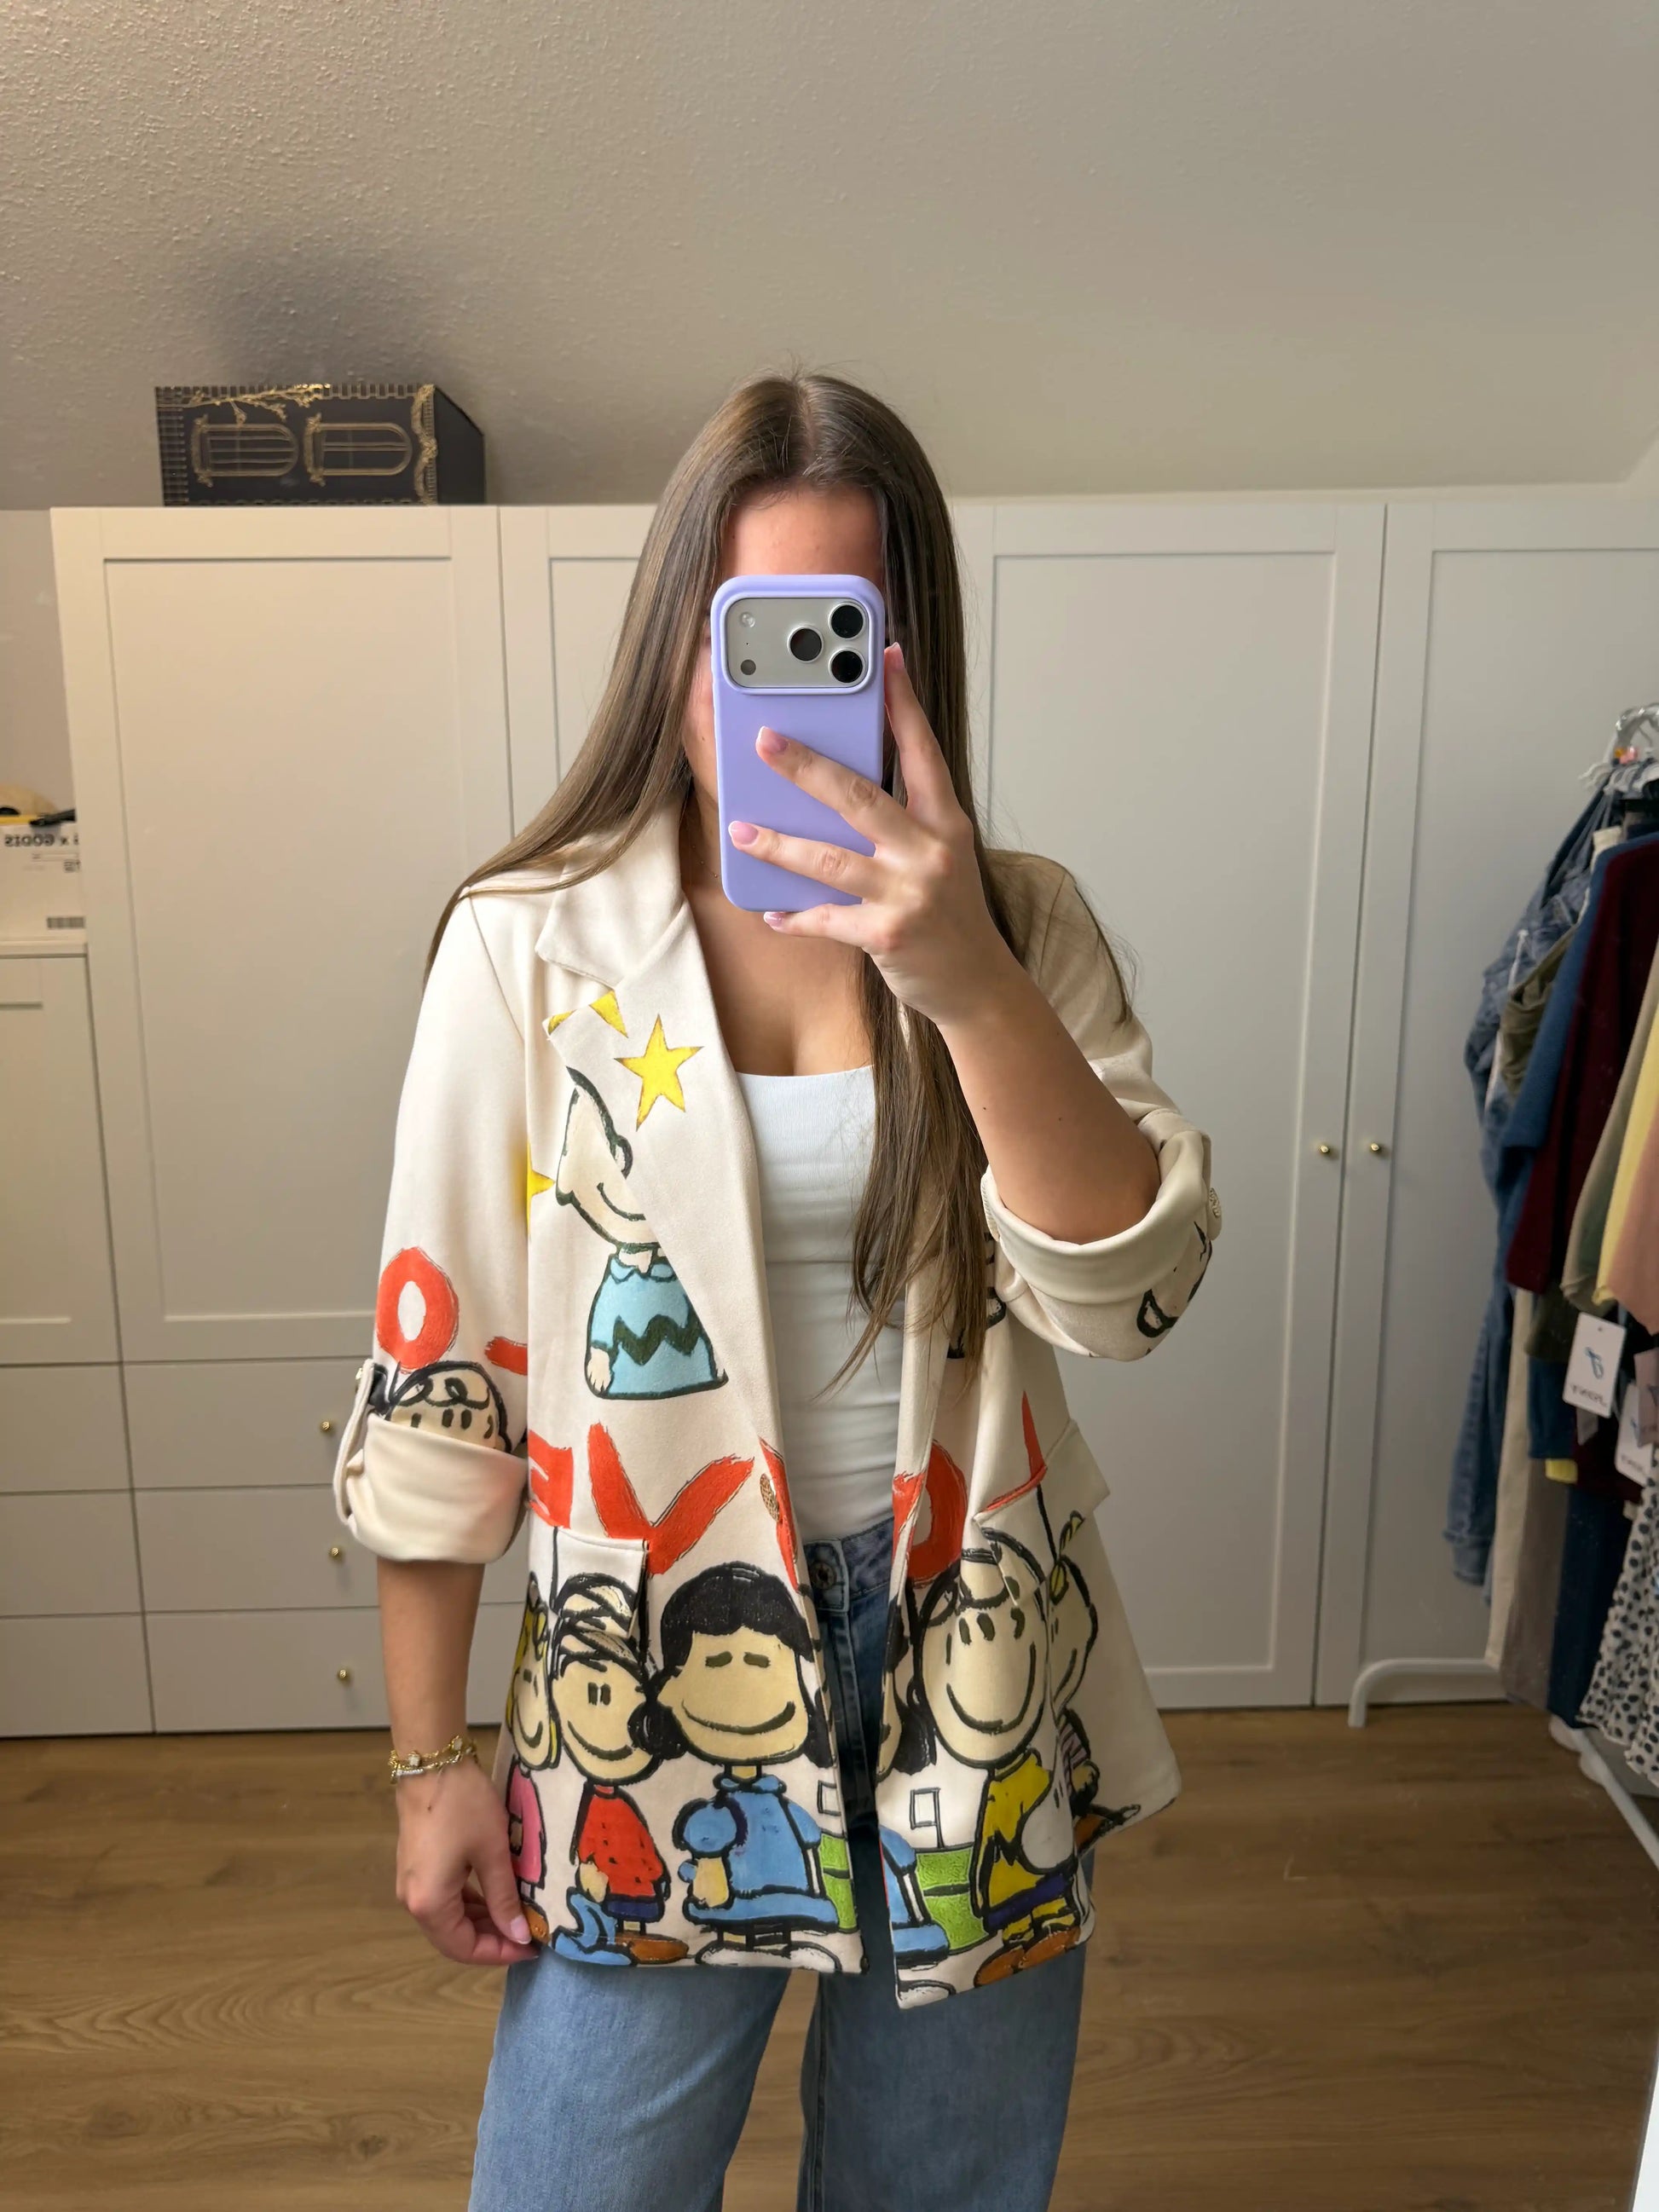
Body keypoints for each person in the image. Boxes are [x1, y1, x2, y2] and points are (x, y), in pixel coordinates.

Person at [332, 367, 1222, 2212]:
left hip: (973, 1652)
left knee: (938, 2186)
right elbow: (442, 1385)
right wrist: (429, 1762)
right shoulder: (527, 943)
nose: (774, 689)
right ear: (672, 641)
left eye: (833, 631)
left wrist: (962, 977)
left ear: (905, 659)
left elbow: (1130, 1295)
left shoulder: (1021, 927)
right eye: (741, 632)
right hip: (646, 1658)